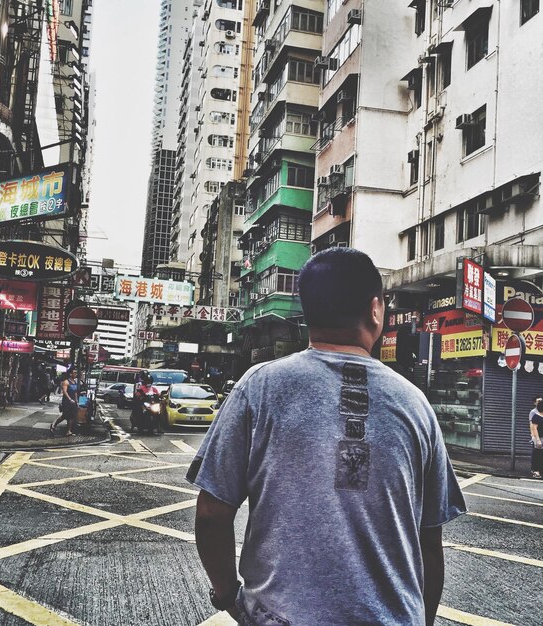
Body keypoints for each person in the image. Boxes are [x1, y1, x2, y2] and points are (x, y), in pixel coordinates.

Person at [187, 247, 467, 626]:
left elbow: (210, 514)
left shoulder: (260, 388)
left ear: (307, 313)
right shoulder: (416, 405)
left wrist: (228, 596)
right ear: (375, 309)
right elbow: (428, 545)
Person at [51, 368, 79, 436]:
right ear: (70, 374)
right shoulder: (66, 382)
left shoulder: (74, 382)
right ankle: (54, 425)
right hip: (67, 401)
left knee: (71, 416)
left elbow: (75, 392)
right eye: (74, 372)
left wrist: (76, 400)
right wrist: (70, 399)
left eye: (76, 373)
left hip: (73, 401)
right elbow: (65, 391)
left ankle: (68, 431)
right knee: (65, 416)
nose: (76, 374)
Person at [530, 399, 543, 478]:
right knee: (538, 454)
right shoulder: (536, 416)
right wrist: (537, 440)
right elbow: (534, 429)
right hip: (539, 438)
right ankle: (536, 471)